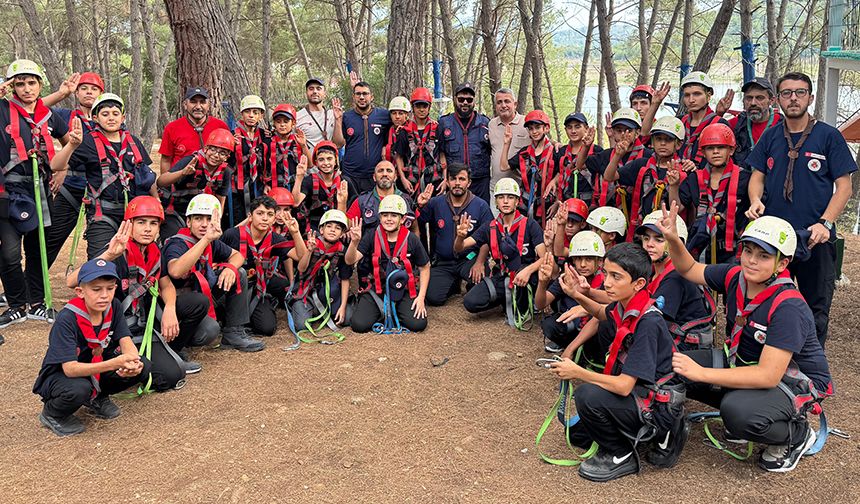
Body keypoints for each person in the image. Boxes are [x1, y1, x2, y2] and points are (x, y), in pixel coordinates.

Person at [657, 204, 833, 473]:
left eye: (763, 256)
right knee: (672, 365)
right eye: (748, 251)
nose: (751, 260)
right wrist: (671, 239)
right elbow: (689, 269)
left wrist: (702, 372)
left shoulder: (788, 306)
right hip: (744, 362)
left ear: (782, 263)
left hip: (791, 380)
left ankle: (796, 434)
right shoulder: (735, 276)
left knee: (737, 413)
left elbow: (768, 376)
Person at [548, 242, 687, 481]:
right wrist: (575, 294)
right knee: (577, 435)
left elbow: (623, 386)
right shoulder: (629, 304)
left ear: (639, 284)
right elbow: (603, 314)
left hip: (656, 404)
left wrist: (578, 372)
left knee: (586, 396)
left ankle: (623, 453)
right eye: (606, 274)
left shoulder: (648, 322)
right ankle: (628, 434)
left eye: (616, 277)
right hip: (639, 392)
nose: (607, 283)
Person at [746, 71, 857, 347]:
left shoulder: (828, 136)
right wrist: (755, 200)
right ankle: (767, 360)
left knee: (815, 306)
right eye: (786, 93)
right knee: (767, 301)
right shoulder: (771, 137)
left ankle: (810, 368)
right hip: (774, 240)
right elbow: (757, 177)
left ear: (810, 97)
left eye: (799, 92)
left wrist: (825, 223)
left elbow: (844, 188)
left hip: (814, 237)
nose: (793, 98)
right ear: (778, 100)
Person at [66, 196, 215, 382]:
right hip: (114, 329)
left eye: (153, 223)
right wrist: (109, 255)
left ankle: (160, 356)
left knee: (173, 375)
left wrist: (170, 309)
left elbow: (166, 283)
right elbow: (72, 281)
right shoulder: (118, 251)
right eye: (141, 222)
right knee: (165, 376)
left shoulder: (154, 251)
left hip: (142, 323)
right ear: (130, 225)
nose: (147, 229)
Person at [33, 258, 151, 437]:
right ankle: (52, 413)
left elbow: (125, 340)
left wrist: (132, 361)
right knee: (79, 389)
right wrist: (115, 363)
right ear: (80, 292)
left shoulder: (114, 307)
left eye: (110, 288)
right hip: (62, 375)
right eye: (96, 289)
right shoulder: (67, 319)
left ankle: (98, 398)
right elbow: (70, 369)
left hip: (95, 365)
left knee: (143, 366)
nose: (104, 295)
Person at [0, 59, 71, 327]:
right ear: (12, 87)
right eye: (20, 84)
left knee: (37, 248)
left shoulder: (49, 116)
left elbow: (67, 141)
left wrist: (62, 170)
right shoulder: (3, 110)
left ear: (40, 85)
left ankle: (38, 304)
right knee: (8, 252)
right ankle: (16, 304)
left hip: (40, 188)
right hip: (8, 189)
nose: (27, 88)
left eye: (32, 83)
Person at [50, 93, 156, 259]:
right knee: (101, 262)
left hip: (133, 215)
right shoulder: (87, 142)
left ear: (123, 117)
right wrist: (72, 145)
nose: (111, 118)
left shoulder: (133, 143)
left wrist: (156, 203)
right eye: (105, 114)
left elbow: (148, 178)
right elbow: (55, 165)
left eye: (115, 114)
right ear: (95, 118)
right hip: (102, 214)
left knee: (133, 262)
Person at [162, 194, 264, 352]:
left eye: (209, 219)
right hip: (181, 303)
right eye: (198, 219)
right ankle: (178, 344)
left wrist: (230, 268)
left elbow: (238, 256)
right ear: (188, 222)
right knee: (209, 331)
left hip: (202, 294)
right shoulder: (178, 243)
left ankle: (233, 333)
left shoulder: (212, 241)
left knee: (240, 273)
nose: (204, 225)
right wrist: (205, 240)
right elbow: (175, 271)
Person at [456, 178, 546, 328]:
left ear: (517, 201)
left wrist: (528, 271)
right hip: (502, 276)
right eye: (501, 197)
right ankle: (505, 298)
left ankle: (520, 301)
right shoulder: (489, 227)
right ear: (496, 201)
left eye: (510, 197)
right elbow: (460, 247)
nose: (505, 201)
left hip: (524, 277)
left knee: (521, 305)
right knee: (470, 302)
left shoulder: (530, 225)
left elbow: (545, 258)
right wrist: (460, 236)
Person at [43, 72, 104, 270]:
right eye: (84, 88)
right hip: (71, 187)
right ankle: (29, 290)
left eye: (94, 89)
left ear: (101, 93)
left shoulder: (108, 119)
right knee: (50, 239)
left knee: (101, 244)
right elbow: (32, 110)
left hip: (101, 191)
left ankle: (97, 286)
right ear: (76, 93)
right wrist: (61, 94)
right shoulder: (64, 116)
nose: (89, 92)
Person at [221, 196, 305, 336]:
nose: (265, 218)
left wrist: (295, 233)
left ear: (274, 219)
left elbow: (301, 258)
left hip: (257, 287)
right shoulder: (233, 235)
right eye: (260, 213)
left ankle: (251, 311)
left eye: (270, 214)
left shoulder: (275, 239)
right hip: (232, 288)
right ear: (250, 216)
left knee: (267, 328)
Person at [346, 194, 430, 333]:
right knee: (358, 325)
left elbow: (425, 268)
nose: (389, 219)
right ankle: (382, 309)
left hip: (404, 289)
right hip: (377, 289)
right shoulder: (372, 235)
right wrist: (354, 242)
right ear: (380, 217)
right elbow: (350, 260)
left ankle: (394, 309)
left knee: (418, 324)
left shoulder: (412, 239)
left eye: (394, 215)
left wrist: (421, 298)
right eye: (385, 215)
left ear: (402, 219)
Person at [668, 122, 750, 264]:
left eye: (721, 147)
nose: (716, 152)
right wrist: (674, 186)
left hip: (733, 251)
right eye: (710, 148)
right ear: (703, 152)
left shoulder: (745, 178)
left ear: (731, 150)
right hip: (700, 247)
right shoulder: (695, 178)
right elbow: (677, 207)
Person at [635, 210, 714, 350]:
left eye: (659, 240)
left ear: (677, 243)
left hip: (685, 350)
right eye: (646, 238)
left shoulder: (675, 277)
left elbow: (652, 323)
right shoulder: (653, 270)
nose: (649, 244)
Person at [416, 163, 493, 306]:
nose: (457, 183)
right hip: (443, 262)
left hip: (470, 259)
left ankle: (469, 281)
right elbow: (417, 223)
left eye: (462, 179)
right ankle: (453, 284)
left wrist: (480, 262)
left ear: (469, 182)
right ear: (447, 182)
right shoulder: (435, 203)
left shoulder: (481, 205)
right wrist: (420, 206)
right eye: (453, 179)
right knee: (433, 297)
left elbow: (488, 236)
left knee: (482, 286)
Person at [157, 128, 234, 239]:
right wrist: (182, 173)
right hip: (177, 211)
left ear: (227, 157)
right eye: (213, 149)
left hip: (201, 215)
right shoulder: (192, 161)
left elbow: (220, 199)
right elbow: (161, 181)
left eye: (222, 153)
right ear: (206, 149)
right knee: (173, 241)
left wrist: (217, 221)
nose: (216, 155)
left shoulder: (225, 172)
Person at [537, 230, 605, 353]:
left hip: (596, 330)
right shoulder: (567, 278)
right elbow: (541, 304)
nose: (583, 264)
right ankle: (569, 345)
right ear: (573, 260)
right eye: (578, 259)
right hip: (572, 326)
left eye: (589, 259)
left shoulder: (606, 281)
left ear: (600, 261)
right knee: (550, 324)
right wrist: (542, 283)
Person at [290, 209, 353, 334]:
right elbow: (301, 268)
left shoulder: (342, 251)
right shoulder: (311, 243)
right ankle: (305, 308)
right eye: (329, 226)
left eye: (337, 228)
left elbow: (345, 279)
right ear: (322, 230)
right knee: (302, 326)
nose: (332, 230)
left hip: (328, 291)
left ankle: (327, 308)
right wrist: (309, 251)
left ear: (342, 233)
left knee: (347, 319)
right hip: (306, 291)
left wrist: (343, 307)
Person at [574, 108, 652, 209]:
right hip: (609, 214)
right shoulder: (606, 155)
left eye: (628, 130)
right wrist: (586, 147)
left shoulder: (648, 156)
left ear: (637, 133)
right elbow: (580, 165)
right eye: (619, 130)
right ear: (613, 132)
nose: (623, 134)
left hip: (637, 214)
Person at [500, 109, 557, 226]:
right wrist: (507, 143)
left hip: (547, 204)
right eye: (531, 128)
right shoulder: (524, 153)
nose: (534, 131)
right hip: (526, 203)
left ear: (546, 128)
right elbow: (504, 166)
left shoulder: (555, 151)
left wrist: (554, 180)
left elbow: (565, 170)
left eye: (537, 127)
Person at [438, 82, 492, 202]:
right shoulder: (444, 123)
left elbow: (492, 151)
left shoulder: (485, 123)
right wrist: (445, 176)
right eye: (461, 99)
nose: (465, 103)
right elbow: (441, 152)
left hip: (480, 181)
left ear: (474, 101)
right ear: (455, 99)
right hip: (455, 182)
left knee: (481, 217)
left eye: (469, 99)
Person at [335, 81, 391, 194]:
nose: (361, 97)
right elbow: (338, 144)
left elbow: (400, 123)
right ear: (354, 97)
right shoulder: (346, 117)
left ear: (372, 96)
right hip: (350, 174)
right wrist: (338, 120)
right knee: (351, 208)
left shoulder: (384, 115)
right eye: (358, 94)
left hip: (374, 175)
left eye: (365, 94)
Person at [158, 86, 229, 173]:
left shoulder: (220, 126)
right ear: (185, 104)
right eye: (193, 102)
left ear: (209, 105)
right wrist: (166, 185)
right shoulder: (172, 128)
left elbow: (226, 157)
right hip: (180, 181)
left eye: (202, 102)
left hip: (212, 181)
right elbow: (166, 160)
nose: (198, 106)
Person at [720, 77, 782, 168]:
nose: (753, 103)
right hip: (743, 179)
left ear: (771, 100)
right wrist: (719, 113)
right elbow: (710, 140)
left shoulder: (782, 125)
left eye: (759, 98)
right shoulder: (737, 124)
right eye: (749, 98)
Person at [228, 95, 269, 228]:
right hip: (236, 186)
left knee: (257, 217)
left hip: (258, 184)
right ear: (242, 114)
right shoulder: (232, 134)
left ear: (261, 116)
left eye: (255, 112)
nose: (251, 115)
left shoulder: (265, 135)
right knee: (237, 219)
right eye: (247, 112)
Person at [346, 160, 416, 236]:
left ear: (395, 177)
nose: (385, 174)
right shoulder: (362, 201)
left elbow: (415, 230)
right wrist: (342, 202)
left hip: (400, 247)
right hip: (369, 247)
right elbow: (345, 227)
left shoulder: (406, 200)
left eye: (389, 171)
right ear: (374, 177)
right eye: (380, 171)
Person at [395, 88, 442, 199]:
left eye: (424, 106)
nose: (421, 110)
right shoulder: (404, 131)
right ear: (413, 107)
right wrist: (403, 179)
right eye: (418, 106)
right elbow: (398, 157)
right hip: (409, 183)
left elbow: (442, 155)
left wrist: (445, 180)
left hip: (433, 183)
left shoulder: (437, 129)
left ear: (429, 107)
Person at [293, 140, 349, 231]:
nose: (326, 163)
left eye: (329, 159)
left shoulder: (344, 182)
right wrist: (299, 177)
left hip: (338, 225)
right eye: (321, 160)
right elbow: (296, 202)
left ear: (336, 160)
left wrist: (342, 202)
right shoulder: (309, 181)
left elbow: (352, 210)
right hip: (314, 226)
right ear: (316, 162)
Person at [677, 71, 729, 165]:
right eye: (687, 95)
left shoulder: (720, 124)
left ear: (708, 96)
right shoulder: (680, 122)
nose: (691, 100)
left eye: (697, 94)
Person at [488, 88, 529, 204]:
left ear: (515, 104)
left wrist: (556, 144)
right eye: (499, 102)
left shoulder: (527, 123)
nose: (503, 105)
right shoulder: (491, 125)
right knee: (496, 222)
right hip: (496, 189)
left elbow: (543, 141)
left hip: (519, 189)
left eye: (507, 101)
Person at [554, 112, 602, 203]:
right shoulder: (561, 152)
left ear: (586, 128)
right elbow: (558, 175)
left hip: (590, 203)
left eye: (577, 126)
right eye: (569, 127)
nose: (573, 131)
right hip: (566, 203)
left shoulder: (597, 151)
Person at [267, 103, 310, 190]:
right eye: (278, 121)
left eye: (286, 121)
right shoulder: (268, 142)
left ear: (293, 123)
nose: (282, 125)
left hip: (297, 185)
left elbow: (310, 165)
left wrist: (303, 145)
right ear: (274, 124)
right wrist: (267, 184)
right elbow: (265, 167)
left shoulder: (298, 141)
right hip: (276, 186)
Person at [295, 76, 345, 150]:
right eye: (311, 89)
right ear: (306, 93)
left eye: (319, 88)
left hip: (330, 160)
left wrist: (338, 119)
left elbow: (339, 144)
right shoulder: (297, 117)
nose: (315, 91)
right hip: (310, 160)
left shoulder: (333, 114)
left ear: (324, 93)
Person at [384, 96, 410, 165]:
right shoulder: (387, 131)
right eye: (394, 113)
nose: (397, 117)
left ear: (406, 115)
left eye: (401, 113)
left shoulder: (412, 131)